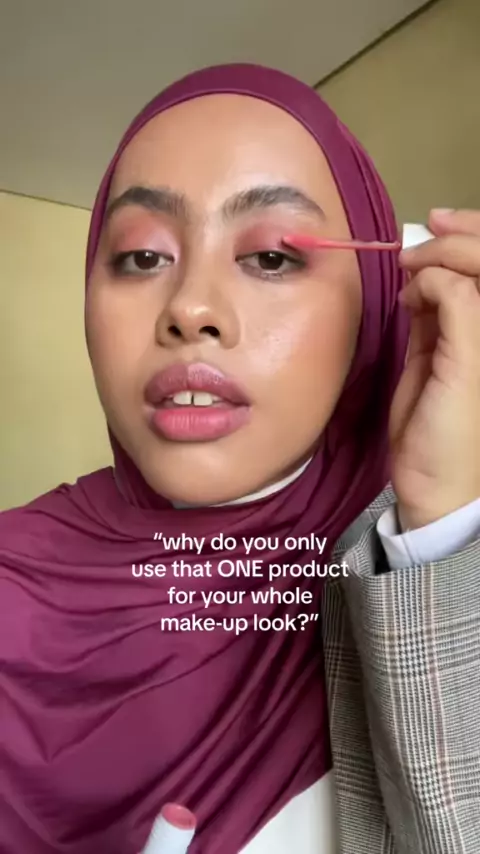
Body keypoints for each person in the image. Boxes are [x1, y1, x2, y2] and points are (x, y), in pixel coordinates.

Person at [0, 63, 479, 854]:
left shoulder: (430, 564)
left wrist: (439, 531)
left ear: (373, 307)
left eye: (272, 257)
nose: (191, 309)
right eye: (142, 256)